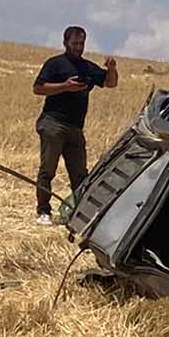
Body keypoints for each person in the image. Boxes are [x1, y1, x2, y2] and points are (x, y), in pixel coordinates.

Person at [31, 26, 118, 225]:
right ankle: (43, 211)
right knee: (48, 169)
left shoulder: (88, 67)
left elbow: (110, 83)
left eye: (81, 44)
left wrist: (112, 68)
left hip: (76, 128)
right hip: (53, 123)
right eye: (75, 44)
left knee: (80, 174)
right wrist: (65, 86)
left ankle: (79, 213)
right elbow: (37, 88)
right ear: (65, 43)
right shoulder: (55, 64)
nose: (78, 48)